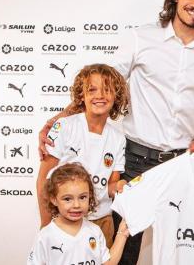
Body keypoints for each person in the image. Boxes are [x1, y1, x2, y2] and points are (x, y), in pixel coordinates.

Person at [38, 0, 194, 264]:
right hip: (132, 163)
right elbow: (104, 84)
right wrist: (59, 119)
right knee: (123, 252)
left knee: (183, 251)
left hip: (181, 166)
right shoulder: (142, 38)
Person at [36, 64, 129, 248]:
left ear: (116, 96)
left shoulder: (118, 138)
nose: (100, 96)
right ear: (81, 95)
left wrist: (120, 186)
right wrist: (46, 225)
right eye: (92, 90)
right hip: (64, 221)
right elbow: (43, 181)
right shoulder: (63, 126)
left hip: (103, 222)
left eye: (107, 90)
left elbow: (109, 187)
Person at [28, 163, 129, 265]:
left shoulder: (95, 231)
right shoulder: (45, 236)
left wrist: (122, 233)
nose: (76, 205)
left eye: (82, 197)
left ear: (90, 196)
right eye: (67, 199)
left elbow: (107, 263)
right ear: (54, 199)